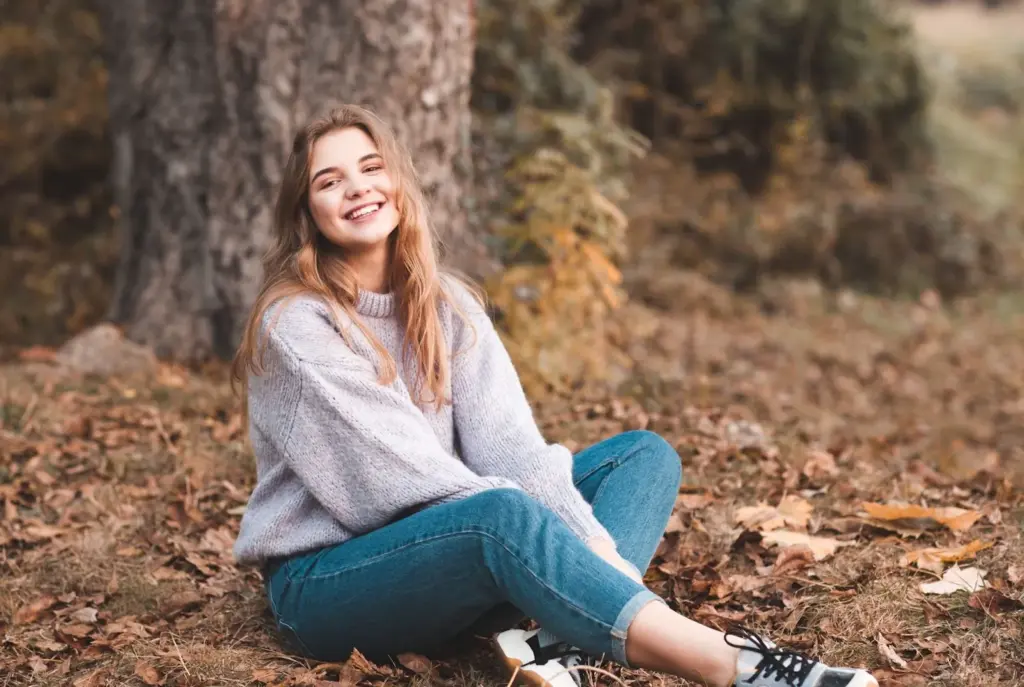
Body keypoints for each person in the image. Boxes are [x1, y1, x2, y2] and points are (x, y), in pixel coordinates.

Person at [230, 104, 878, 687]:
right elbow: (397, 478)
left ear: (398, 182)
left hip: (450, 546)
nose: (357, 187)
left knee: (640, 457)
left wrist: (584, 539)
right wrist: (572, 543)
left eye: (371, 167)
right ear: (306, 212)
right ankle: (733, 664)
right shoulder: (297, 324)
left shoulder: (446, 305)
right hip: (329, 580)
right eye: (329, 180)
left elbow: (510, 445)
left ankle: (556, 635)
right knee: (503, 513)